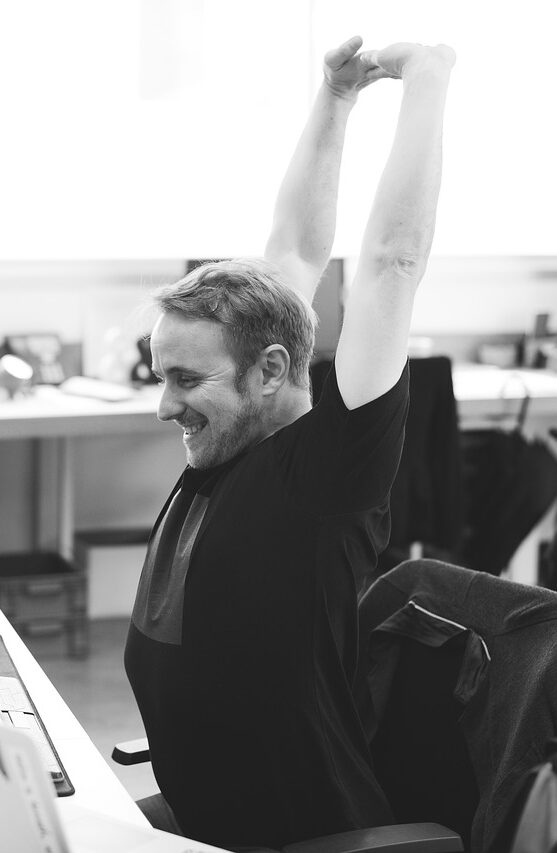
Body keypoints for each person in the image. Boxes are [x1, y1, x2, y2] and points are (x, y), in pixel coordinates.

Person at [124, 37, 456, 852]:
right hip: (206, 820)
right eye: (160, 376)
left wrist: (425, 77)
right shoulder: (229, 446)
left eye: (185, 381)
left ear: (270, 370)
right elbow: (295, 249)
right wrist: (335, 99)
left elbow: (390, 264)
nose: (165, 405)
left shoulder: (323, 472)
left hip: (299, 837)